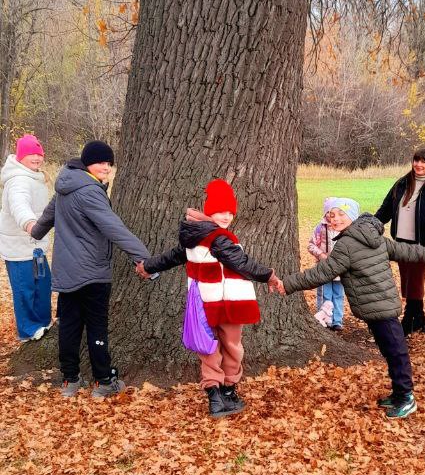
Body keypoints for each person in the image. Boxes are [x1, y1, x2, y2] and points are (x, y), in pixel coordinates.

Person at [273, 200, 425, 419]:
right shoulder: (373, 237)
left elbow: (322, 273)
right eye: (331, 215)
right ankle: (399, 393)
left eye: (340, 214)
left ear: (353, 216)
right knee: (391, 350)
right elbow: (403, 250)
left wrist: (288, 284)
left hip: (379, 307)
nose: (335, 219)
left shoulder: (347, 245)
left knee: (396, 351)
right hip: (380, 305)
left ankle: (406, 397)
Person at [136, 178, 276, 416]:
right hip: (227, 303)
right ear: (209, 210)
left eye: (230, 212)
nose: (226, 216)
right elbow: (241, 263)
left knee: (209, 346)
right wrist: (269, 275)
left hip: (202, 302)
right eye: (220, 211)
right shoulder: (218, 238)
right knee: (232, 346)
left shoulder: (194, 235)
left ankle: (215, 396)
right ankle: (227, 392)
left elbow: (173, 256)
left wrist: (149, 266)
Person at [30, 140, 151, 399]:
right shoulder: (90, 191)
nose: (106, 168)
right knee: (96, 325)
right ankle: (104, 380)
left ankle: (70, 381)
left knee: (69, 325)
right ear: (87, 163)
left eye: (109, 163)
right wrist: (144, 259)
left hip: (66, 271)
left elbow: (46, 219)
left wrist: (34, 230)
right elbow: (113, 228)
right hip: (93, 272)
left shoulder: (65, 185)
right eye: (101, 162)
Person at [375, 147, 425, 335]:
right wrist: (373, 225)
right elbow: (386, 208)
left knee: (415, 279)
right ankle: (420, 318)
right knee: (407, 279)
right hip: (401, 241)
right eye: (416, 160)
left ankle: (409, 319)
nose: (419, 164)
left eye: (424, 161)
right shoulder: (402, 183)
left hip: (422, 243)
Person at [0, 134, 52, 342]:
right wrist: (31, 224)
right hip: (20, 247)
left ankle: (44, 324)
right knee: (25, 291)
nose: (37, 158)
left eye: (39, 154)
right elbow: (19, 204)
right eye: (31, 154)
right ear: (21, 156)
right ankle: (28, 330)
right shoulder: (18, 180)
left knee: (43, 286)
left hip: (35, 246)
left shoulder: (34, 176)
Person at [307, 196, 351, 331]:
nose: (331, 217)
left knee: (338, 294)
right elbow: (311, 245)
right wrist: (321, 255)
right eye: (328, 213)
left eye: (334, 213)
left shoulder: (344, 228)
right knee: (324, 294)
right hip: (324, 267)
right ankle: (324, 319)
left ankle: (337, 320)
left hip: (340, 269)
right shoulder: (320, 228)